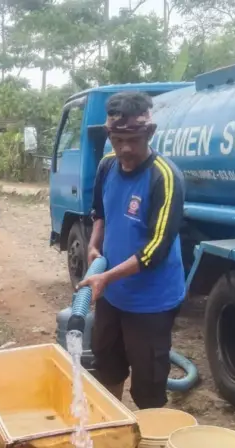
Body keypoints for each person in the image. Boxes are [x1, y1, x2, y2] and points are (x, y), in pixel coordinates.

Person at [77, 91, 186, 410]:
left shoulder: (164, 177)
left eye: (134, 140)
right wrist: (94, 245)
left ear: (149, 133)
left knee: (148, 385)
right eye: (118, 140)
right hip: (112, 295)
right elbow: (100, 213)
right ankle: (114, 432)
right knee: (107, 366)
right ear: (109, 134)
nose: (125, 149)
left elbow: (156, 250)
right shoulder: (107, 166)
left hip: (152, 301)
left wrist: (105, 277)